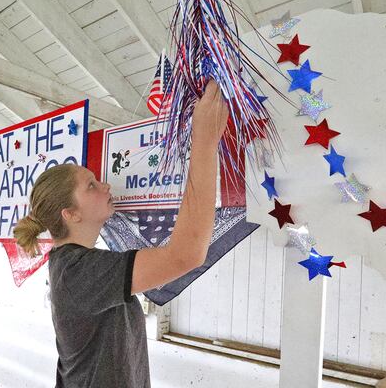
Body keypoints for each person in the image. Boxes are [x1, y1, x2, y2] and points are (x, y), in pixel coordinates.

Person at [13, 79, 229, 387]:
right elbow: (187, 253)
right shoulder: (77, 272)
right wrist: (205, 141)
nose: (105, 186)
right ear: (71, 214)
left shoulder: (73, 265)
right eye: (91, 185)